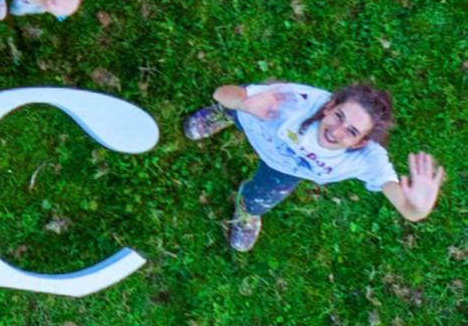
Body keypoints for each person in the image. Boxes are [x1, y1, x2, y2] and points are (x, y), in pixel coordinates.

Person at [184, 82, 446, 252]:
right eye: (338, 116)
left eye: (351, 132)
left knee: (259, 200)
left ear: (360, 143)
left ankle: (247, 210)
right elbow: (221, 93)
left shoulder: (368, 159)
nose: (336, 131)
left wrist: (418, 208)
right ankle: (222, 114)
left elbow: (407, 209)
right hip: (258, 124)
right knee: (233, 110)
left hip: (284, 169)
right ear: (329, 106)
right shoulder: (295, 101)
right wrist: (242, 102)